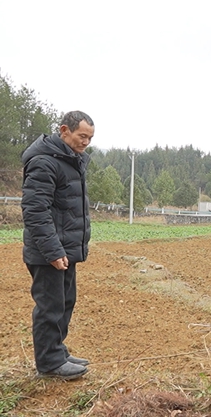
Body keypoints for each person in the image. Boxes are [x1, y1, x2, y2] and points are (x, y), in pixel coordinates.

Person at [22, 111, 95, 380]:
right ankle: (49, 364)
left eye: (90, 138)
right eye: (81, 136)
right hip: (48, 252)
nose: (86, 142)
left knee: (65, 303)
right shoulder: (44, 162)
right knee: (50, 307)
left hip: (65, 249)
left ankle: (57, 351)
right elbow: (35, 210)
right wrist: (53, 251)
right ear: (64, 130)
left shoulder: (70, 161)